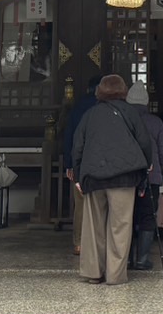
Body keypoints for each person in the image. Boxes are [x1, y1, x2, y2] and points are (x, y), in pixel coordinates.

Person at [71, 74, 152, 285]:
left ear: (100, 91)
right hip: (124, 177)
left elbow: (77, 145)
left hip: (94, 176)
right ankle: (115, 275)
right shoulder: (131, 113)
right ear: (123, 91)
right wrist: (145, 170)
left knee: (93, 226)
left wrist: (79, 175)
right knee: (120, 226)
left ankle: (92, 272)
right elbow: (144, 142)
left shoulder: (90, 114)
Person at [125, 80, 163, 271]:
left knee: (126, 217)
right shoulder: (155, 122)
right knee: (147, 217)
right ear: (145, 102)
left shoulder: (122, 119)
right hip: (150, 175)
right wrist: (159, 170)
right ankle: (142, 258)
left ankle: (125, 258)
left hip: (126, 175)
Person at [62, 74, 103, 257]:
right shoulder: (104, 108)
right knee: (101, 202)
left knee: (80, 204)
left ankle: (78, 242)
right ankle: (98, 241)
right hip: (101, 162)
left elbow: (69, 137)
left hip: (80, 161)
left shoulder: (78, 109)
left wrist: (69, 164)